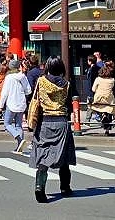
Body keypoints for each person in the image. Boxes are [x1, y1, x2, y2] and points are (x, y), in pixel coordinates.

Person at [30, 56, 76, 203]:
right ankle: (65, 187)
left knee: (43, 154)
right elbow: (69, 105)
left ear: (48, 67)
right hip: (61, 121)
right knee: (64, 154)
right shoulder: (66, 84)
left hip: (45, 121)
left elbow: (35, 100)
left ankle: (39, 187)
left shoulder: (41, 81)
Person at [0, 59, 31, 151]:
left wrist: (1, 104)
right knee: (18, 125)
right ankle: (19, 146)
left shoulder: (9, 77)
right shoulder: (23, 76)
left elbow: (5, 93)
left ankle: (18, 138)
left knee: (7, 123)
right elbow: (28, 90)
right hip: (21, 102)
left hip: (11, 103)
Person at [91, 65, 115, 136]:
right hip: (109, 99)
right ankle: (107, 131)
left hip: (99, 98)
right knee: (109, 112)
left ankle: (101, 116)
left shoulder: (98, 79)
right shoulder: (112, 80)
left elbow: (93, 89)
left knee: (96, 108)